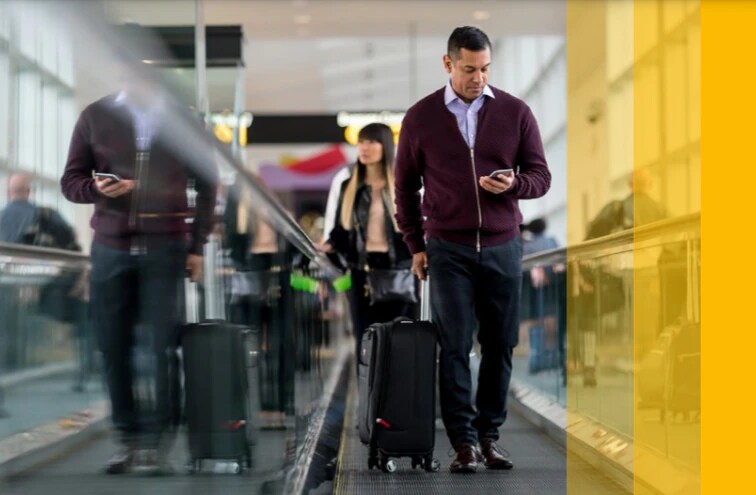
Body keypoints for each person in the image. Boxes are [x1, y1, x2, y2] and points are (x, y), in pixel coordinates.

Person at [394, 27, 551, 473]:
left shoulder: (516, 113)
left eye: (484, 69)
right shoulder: (421, 117)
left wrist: (514, 184)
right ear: (448, 64)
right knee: (456, 346)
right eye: (468, 69)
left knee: (500, 344)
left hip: (503, 246)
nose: (478, 77)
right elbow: (404, 188)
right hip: (448, 248)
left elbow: (541, 176)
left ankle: (490, 436)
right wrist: (415, 244)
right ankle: (463, 442)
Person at [61, 75, 217, 474]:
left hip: (165, 247)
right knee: (113, 347)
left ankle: (157, 443)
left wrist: (197, 246)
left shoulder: (183, 120)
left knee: (163, 346)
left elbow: (209, 184)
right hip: (111, 249)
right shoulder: (96, 115)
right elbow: (71, 182)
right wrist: (98, 190)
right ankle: (128, 440)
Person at [323, 123, 418, 362]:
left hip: (399, 273)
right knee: (364, 342)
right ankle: (369, 398)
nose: (365, 148)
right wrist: (329, 246)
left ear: (385, 146)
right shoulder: (349, 186)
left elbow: (416, 227)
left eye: (372, 142)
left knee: (400, 342)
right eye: (361, 142)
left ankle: (398, 397)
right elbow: (340, 231)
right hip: (361, 274)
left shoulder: (402, 186)